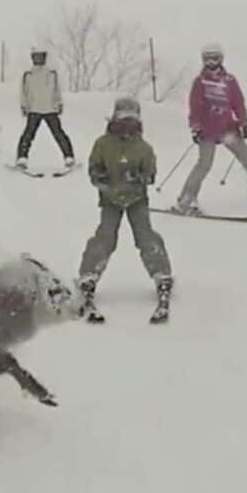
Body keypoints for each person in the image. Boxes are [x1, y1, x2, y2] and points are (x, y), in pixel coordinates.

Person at [76, 97, 173, 325]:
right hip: (110, 199)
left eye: (132, 118)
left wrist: (139, 178)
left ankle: (161, 272)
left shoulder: (143, 147)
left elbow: (150, 174)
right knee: (105, 237)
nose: (127, 123)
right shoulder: (103, 144)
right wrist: (102, 180)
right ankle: (89, 274)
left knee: (145, 235)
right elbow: (94, 168)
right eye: (123, 118)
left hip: (137, 200)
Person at [173, 42, 247, 213]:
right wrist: (195, 127)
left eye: (215, 59)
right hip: (207, 131)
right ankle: (187, 199)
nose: (211, 63)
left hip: (228, 129)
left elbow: (238, 103)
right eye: (208, 59)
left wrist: (244, 123)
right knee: (204, 164)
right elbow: (194, 107)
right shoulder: (200, 82)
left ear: (221, 59)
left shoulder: (229, 81)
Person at [15, 46, 75, 169]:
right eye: (36, 56)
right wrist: (24, 105)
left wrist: (59, 103)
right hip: (34, 109)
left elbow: (57, 90)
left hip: (50, 109)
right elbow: (23, 91)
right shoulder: (28, 74)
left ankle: (69, 157)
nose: (38, 59)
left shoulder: (52, 73)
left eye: (41, 56)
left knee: (58, 134)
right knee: (28, 135)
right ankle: (22, 158)